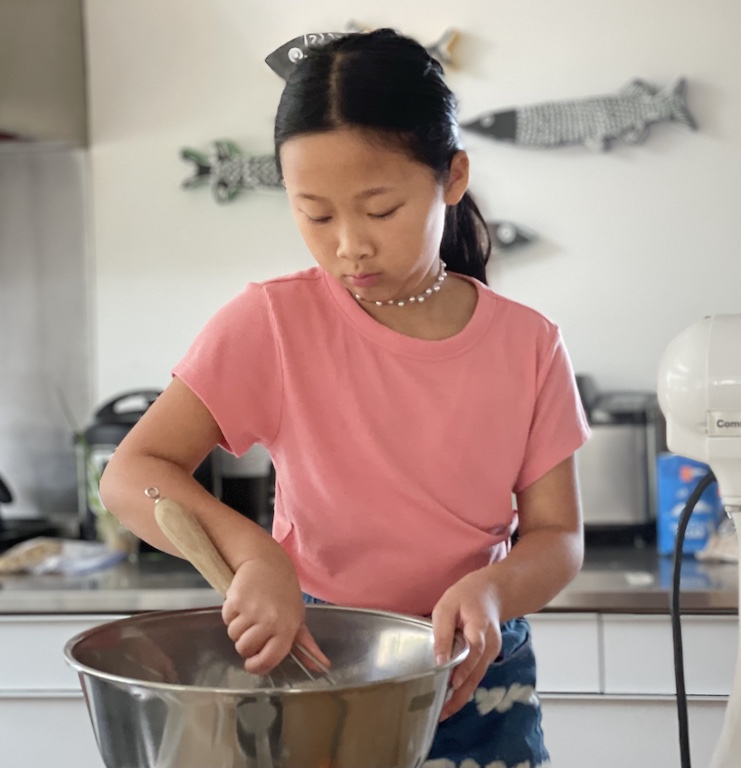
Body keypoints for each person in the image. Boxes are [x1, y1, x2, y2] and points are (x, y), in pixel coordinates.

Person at [99, 28, 589, 768]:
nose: (348, 246)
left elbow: (558, 538)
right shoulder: (272, 322)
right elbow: (133, 473)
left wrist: (493, 590)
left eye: (381, 210)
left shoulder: (528, 344)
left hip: (474, 668)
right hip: (322, 661)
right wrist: (255, 555)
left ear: (451, 178)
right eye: (315, 214)